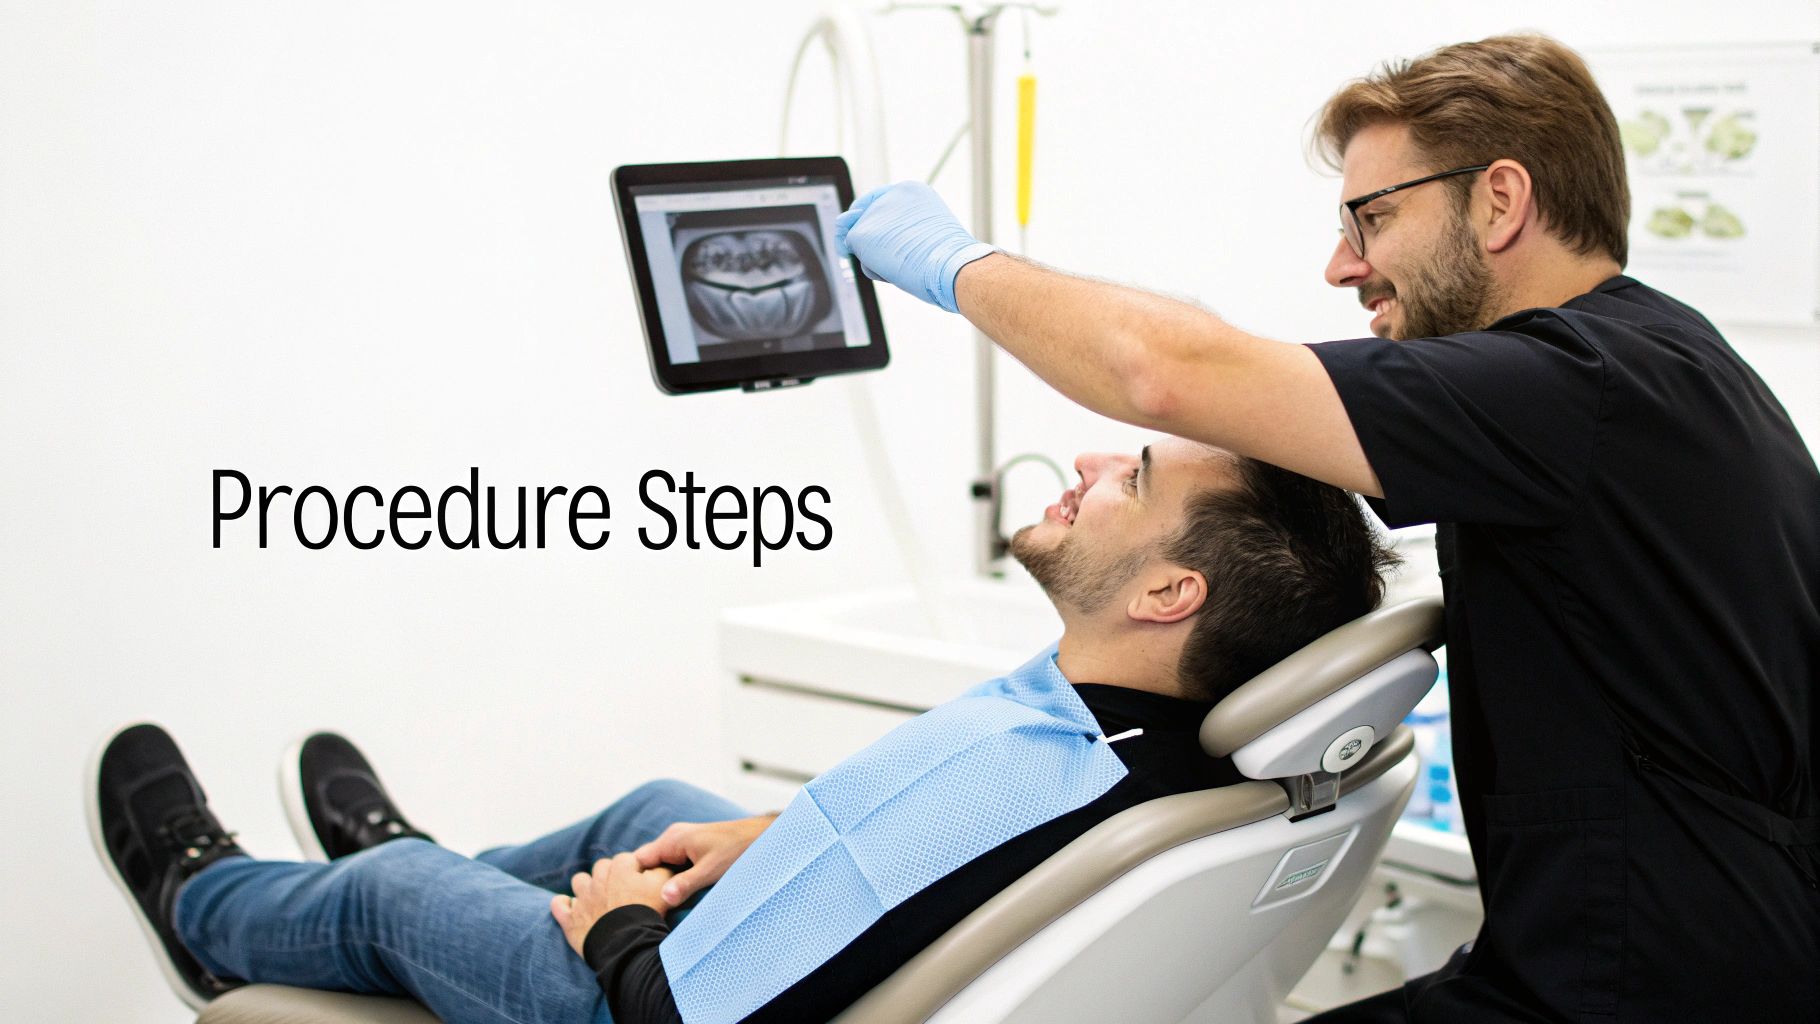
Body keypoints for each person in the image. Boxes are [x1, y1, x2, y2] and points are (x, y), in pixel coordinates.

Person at [835, 31, 1819, 1024]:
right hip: (1643, 960)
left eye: (1372, 218)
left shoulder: (1572, 387)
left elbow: (1161, 374)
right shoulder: (1664, 362)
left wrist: (953, 264)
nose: (1342, 265)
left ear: (1500, 201)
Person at [92, 439, 1398, 1024]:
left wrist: (617, 931)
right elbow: (912, 854)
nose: (1093, 463)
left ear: (1169, 595)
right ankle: (393, 897)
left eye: (1136, 480)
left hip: (638, 1003)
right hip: (735, 960)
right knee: (652, 812)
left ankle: (207, 906)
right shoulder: (1133, 737)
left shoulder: (1041, 783)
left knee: (398, 890)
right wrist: (767, 832)